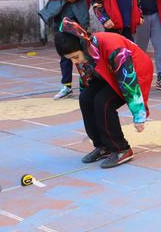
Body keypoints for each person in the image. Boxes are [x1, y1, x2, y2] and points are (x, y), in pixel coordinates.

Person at [54, 18, 152, 169]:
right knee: (86, 98)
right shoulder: (83, 51)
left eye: (75, 57)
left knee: (103, 101)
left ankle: (121, 149)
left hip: (134, 71)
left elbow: (129, 82)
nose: (75, 62)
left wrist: (139, 115)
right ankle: (103, 146)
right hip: (109, 73)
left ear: (83, 45)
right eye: (70, 59)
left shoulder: (115, 49)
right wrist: (86, 99)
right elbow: (87, 81)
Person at [43, 0, 90, 100]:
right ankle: (66, 86)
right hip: (61, 21)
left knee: (83, 52)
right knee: (64, 54)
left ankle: (86, 84)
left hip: (78, 19)